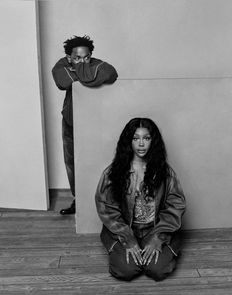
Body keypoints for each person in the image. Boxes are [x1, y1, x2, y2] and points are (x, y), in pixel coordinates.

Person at [95, 118, 186, 281]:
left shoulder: (166, 173)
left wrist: (158, 237)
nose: (141, 144)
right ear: (128, 141)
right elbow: (107, 209)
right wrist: (128, 239)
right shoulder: (112, 173)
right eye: (136, 138)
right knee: (126, 270)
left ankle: (157, 251)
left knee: (158, 270)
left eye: (147, 138)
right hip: (126, 230)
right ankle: (132, 254)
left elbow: (175, 206)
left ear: (153, 141)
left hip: (155, 229)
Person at [52, 35, 118, 215]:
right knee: (72, 163)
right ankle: (79, 202)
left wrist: (78, 71)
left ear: (91, 55)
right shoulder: (61, 65)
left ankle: (102, 201)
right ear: (68, 58)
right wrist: (87, 73)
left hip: (94, 120)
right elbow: (63, 81)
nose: (83, 61)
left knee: (98, 160)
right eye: (77, 58)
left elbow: (111, 74)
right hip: (70, 121)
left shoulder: (99, 64)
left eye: (86, 57)